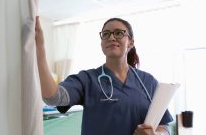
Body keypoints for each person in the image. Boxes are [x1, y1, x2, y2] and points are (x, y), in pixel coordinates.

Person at [35, 16, 173, 135]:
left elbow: (165, 127)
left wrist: (156, 134)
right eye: (106, 34)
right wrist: (40, 49)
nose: (111, 37)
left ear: (131, 43)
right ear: (102, 43)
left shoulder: (148, 81)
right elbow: (52, 98)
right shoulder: (87, 79)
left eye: (119, 33)